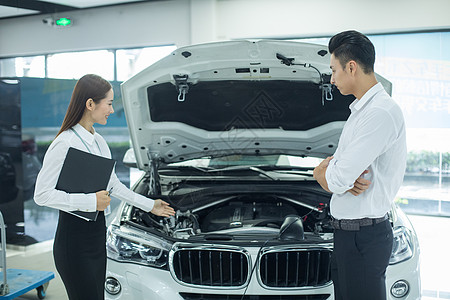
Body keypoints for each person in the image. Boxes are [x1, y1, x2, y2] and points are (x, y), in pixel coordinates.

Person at [34, 74, 175, 300]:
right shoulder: (64, 143)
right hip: (74, 243)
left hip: (96, 237)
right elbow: (41, 195)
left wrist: (151, 206)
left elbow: (114, 185)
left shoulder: (99, 141)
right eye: (109, 103)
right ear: (90, 104)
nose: (111, 109)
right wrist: (91, 201)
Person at [313, 30, 407, 300]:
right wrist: (339, 176)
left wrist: (321, 172)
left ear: (351, 67)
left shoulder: (379, 113)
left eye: (333, 70)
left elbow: (338, 177)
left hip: (363, 238)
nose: (331, 79)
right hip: (350, 236)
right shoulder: (362, 110)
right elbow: (343, 173)